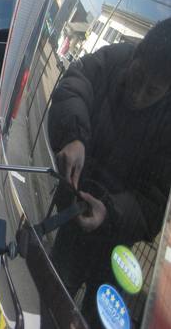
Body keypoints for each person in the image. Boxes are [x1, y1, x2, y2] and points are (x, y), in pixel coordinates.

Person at [47, 18, 171, 326]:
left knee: (100, 320)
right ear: (136, 53)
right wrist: (74, 136)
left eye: (152, 91)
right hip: (71, 217)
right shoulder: (113, 59)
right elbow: (73, 86)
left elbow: (155, 202)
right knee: (50, 303)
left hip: (117, 248)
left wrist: (111, 213)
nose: (138, 94)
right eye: (138, 76)